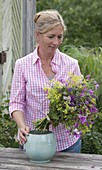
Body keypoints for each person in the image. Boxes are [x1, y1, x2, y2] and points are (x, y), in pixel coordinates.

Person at [9, 9, 81, 153]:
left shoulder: (71, 64)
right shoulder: (22, 65)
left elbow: (80, 100)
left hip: (67, 143)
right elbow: (16, 103)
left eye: (60, 37)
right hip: (33, 141)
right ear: (38, 35)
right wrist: (22, 126)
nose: (56, 42)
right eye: (51, 36)